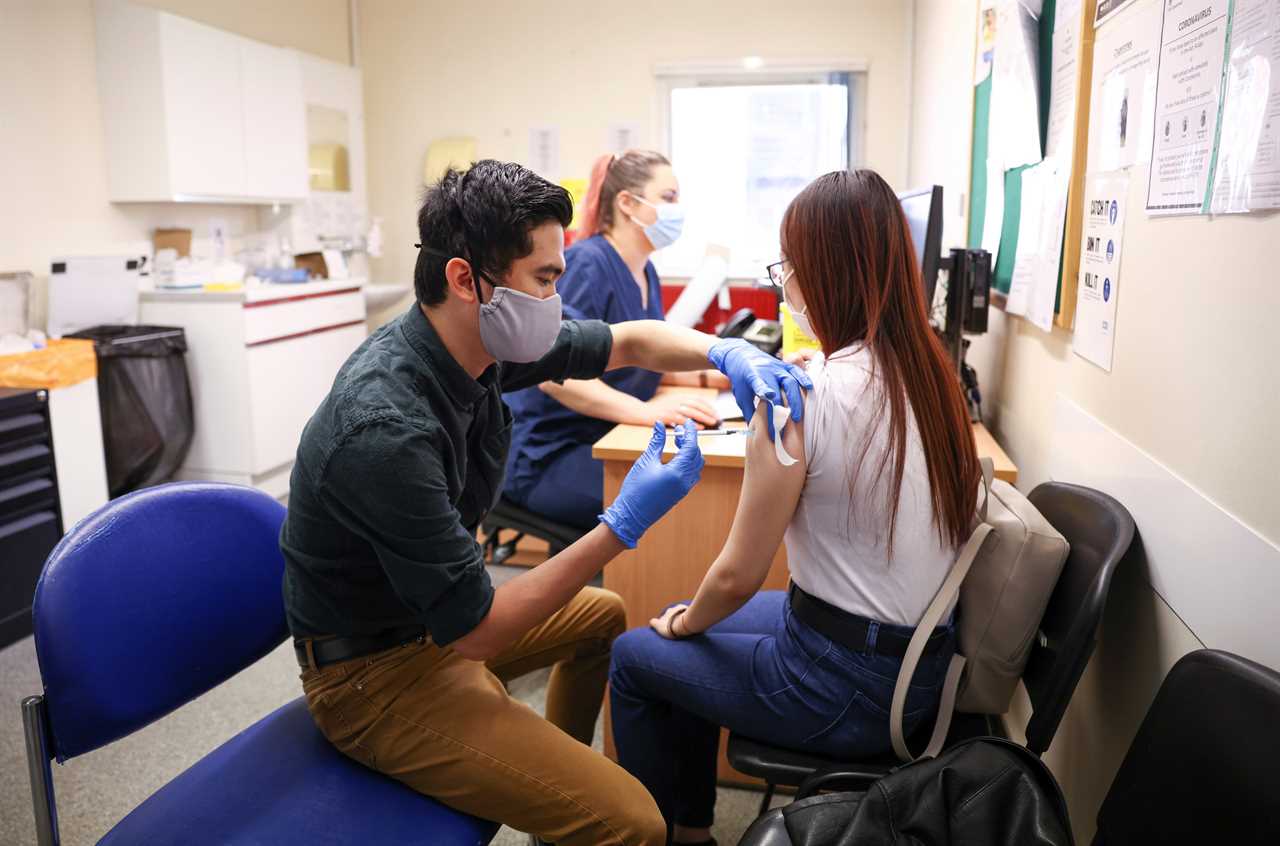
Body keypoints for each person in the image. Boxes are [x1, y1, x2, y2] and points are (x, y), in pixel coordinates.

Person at [280, 159, 810, 846]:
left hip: (427, 622)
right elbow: (479, 632)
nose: (558, 301)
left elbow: (629, 340)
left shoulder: (481, 341)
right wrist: (620, 525)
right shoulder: (386, 427)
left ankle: (552, 816)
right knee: (636, 824)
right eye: (546, 279)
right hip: (373, 677)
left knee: (604, 615)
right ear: (466, 279)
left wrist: (729, 352)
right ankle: (575, 813)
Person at [607, 169, 982, 844]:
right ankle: (694, 827)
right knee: (688, 624)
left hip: (845, 689)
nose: (785, 281)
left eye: (790, 265)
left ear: (825, 275)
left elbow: (735, 577)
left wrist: (690, 622)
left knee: (639, 654)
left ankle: (678, 836)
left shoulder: (802, 399)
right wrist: (694, 621)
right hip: (922, 670)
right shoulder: (934, 378)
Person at [503, 149, 727, 530]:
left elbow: (635, 360)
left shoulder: (646, 271)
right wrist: (645, 412)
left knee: (696, 486)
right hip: (551, 453)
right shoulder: (587, 264)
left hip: (604, 436)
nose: (678, 209)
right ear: (627, 203)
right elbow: (554, 374)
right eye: (668, 198)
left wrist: (714, 374)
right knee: (679, 506)